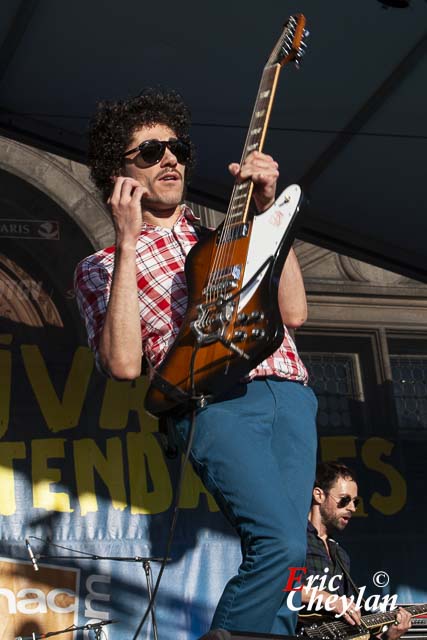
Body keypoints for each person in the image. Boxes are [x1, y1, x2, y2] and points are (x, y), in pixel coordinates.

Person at [74, 88, 318, 635]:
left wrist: (264, 211)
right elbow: (123, 364)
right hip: (214, 402)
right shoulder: (102, 266)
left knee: (291, 560)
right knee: (278, 542)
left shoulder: (223, 236)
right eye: (150, 151)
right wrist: (128, 242)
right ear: (118, 174)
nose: (170, 159)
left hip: (290, 392)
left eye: (177, 147)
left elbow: (295, 312)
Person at [301, 462, 411, 638]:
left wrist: (388, 636)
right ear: (319, 495)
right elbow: (281, 586)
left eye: (355, 502)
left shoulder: (340, 555)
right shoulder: (295, 541)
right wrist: (329, 599)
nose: (352, 508)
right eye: (344, 500)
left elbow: (350, 628)